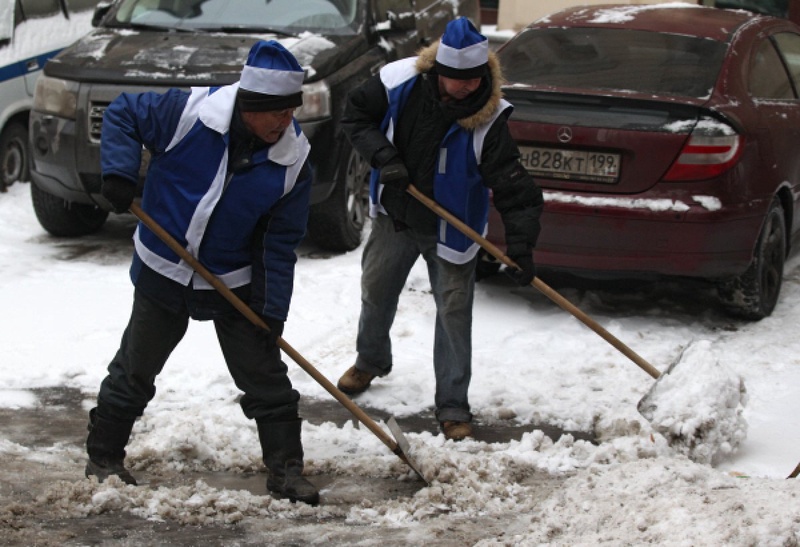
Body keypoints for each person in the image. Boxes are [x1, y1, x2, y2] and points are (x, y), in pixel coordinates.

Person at [84, 40, 319, 505]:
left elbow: (279, 242)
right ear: (250, 105)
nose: (285, 122)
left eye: (291, 112)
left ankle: (287, 471)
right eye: (276, 112)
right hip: (165, 267)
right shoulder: (189, 112)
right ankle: (103, 456)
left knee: (265, 376)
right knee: (135, 367)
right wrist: (118, 172)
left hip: (233, 279)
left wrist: (271, 310)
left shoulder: (292, 161)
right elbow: (124, 113)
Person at [335, 18, 544, 441]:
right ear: (437, 71)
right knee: (376, 290)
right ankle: (370, 360)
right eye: (456, 79)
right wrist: (385, 157)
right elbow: (355, 117)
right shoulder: (397, 81)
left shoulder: (490, 119)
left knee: (452, 313)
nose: (466, 87)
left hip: (454, 227)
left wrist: (521, 247)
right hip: (396, 214)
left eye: (473, 79)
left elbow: (513, 187)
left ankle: (452, 405)